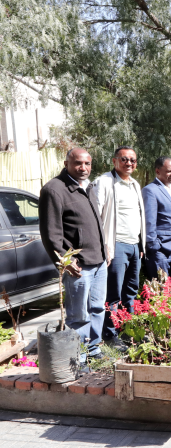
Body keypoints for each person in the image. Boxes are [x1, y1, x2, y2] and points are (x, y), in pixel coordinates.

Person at [38, 148, 107, 364]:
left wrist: (105, 254)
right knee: (78, 316)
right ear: (67, 163)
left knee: (96, 309)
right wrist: (65, 261)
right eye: (78, 163)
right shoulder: (54, 189)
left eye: (87, 163)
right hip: (78, 266)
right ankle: (79, 358)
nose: (83, 168)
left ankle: (93, 350)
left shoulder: (87, 186)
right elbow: (51, 234)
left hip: (99, 262)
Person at [89, 146, 146, 352]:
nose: (129, 163)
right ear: (114, 161)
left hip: (134, 246)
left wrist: (140, 244)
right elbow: (96, 216)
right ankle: (110, 334)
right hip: (116, 245)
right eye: (124, 159)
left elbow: (138, 216)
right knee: (113, 294)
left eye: (132, 160)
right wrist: (106, 248)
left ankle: (128, 330)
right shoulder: (105, 182)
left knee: (131, 292)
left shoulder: (135, 185)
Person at [142, 157, 171, 281]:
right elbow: (149, 220)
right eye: (169, 171)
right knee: (160, 288)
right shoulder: (151, 190)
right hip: (160, 249)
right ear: (158, 171)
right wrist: (154, 246)